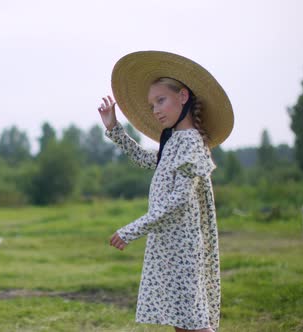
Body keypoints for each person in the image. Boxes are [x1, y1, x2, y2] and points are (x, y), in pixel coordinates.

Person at [97, 51, 234, 332]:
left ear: (183, 96)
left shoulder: (191, 142)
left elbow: (178, 201)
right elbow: (148, 160)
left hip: (184, 245)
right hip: (169, 244)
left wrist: (132, 229)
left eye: (161, 100)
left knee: (194, 322)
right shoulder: (174, 140)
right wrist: (114, 129)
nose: (156, 110)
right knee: (180, 321)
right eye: (152, 105)